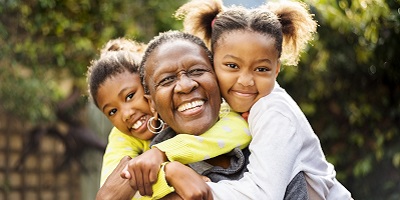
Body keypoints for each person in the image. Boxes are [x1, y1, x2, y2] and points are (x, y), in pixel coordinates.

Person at [175, 0, 353, 199]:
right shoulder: (222, 107)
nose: (246, 81)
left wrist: (197, 187)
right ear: (211, 60)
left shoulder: (273, 111)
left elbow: (262, 195)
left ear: (276, 69)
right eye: (232, 66)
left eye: (261, 69)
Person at [132, 30, 309, 200]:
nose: (186, 85)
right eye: (167, 79)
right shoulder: (150, 176)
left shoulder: (266, 128)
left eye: (197, 71)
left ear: (217, 77)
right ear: (152, 104)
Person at [86, 38, 251, 199]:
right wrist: (169, 175)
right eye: (113, 111)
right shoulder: (122, 137)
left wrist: (163, 153)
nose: (126, 113)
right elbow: (115, 189)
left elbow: (240, 130)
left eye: (130, 96)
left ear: (149, 88)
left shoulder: (210, 109)